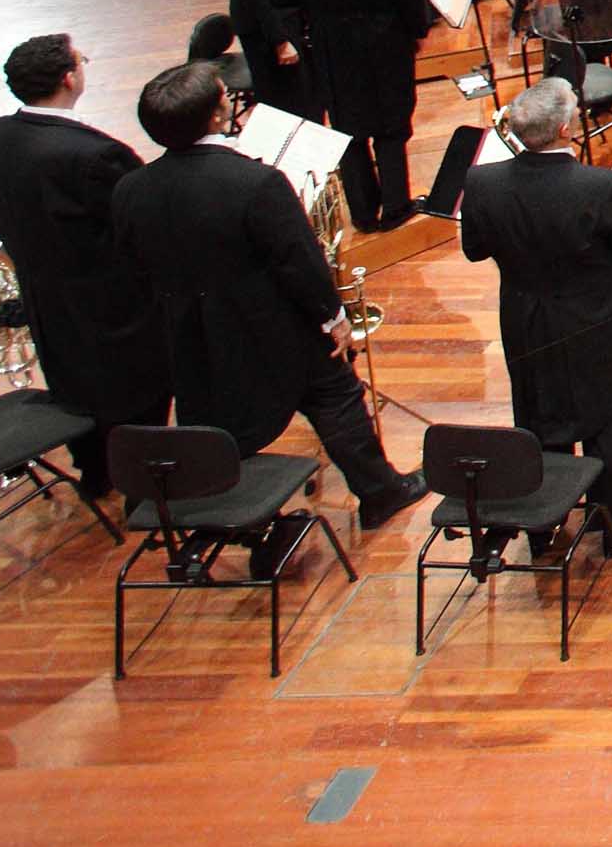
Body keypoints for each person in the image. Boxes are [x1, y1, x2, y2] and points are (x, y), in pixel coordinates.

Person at [109, 59, 423, 528]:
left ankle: (212, 496)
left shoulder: (131, 189)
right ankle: (380, 492)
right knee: (333, 394)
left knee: (211, 414)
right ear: (217, 117)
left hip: (191, 327)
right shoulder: (255, 182)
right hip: (272, 323)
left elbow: (135, 262)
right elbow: (299, 261)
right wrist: (332, 316)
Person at [456, 78, 612, 545]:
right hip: (593, 322)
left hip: (525, 319)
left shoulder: (482, 182)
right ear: (567, 127)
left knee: (536, 412)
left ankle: (542, 526)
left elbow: (474, 250)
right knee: (605, 415)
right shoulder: (599, 184)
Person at [0, 34, 168, 496]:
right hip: (115, 304)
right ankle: (149, 486)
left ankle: (96, 475)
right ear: (69, 77)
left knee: (75, 384)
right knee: (137, 391)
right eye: (80, 59)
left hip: (47, 298)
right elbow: (140, 220)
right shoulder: (92, 155)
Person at [271, 0, 433, 226]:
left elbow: (282, 1)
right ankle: (395, 205)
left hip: (329, 46)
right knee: (391, 122)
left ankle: (362, 212)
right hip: (385, 42)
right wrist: (417, 31)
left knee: (347, 126)